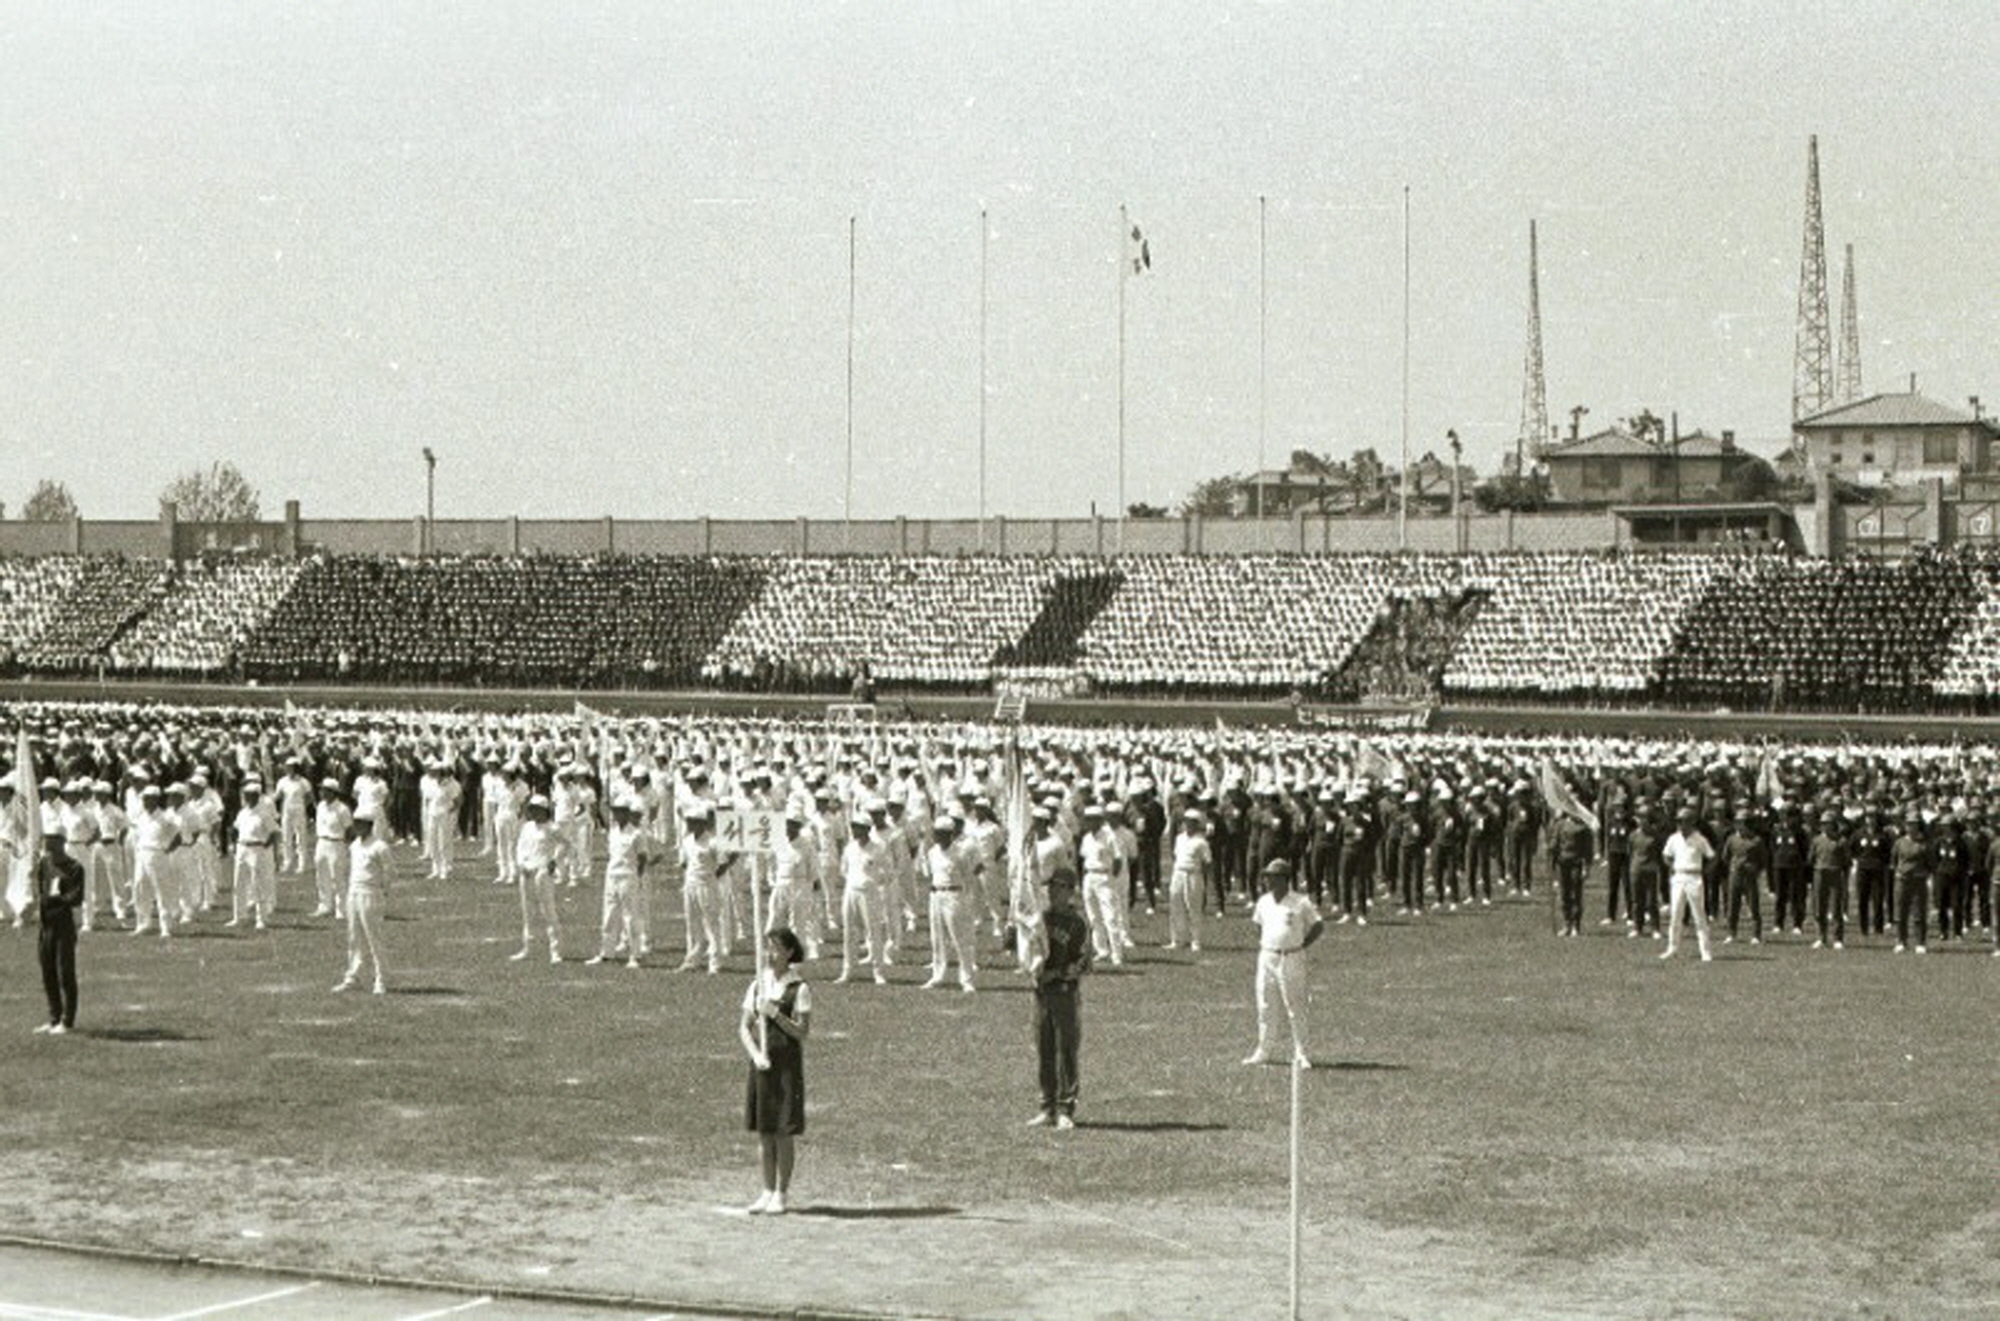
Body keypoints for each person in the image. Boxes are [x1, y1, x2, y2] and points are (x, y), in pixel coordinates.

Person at [740, 926, 810, 1215]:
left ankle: (782, 1193)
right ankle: (766, 1191)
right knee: (765, 1133)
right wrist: (755, 1054)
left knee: (783, 1132)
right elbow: (744, 1027)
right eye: (767, 949)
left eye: (776, 949)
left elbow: (802, 1032)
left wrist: (776, 1014)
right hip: (763, 1064)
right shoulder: (758, 984)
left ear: (789, 953)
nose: (770, 955)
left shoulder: (799, 988)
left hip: (786, 1067)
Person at [1026, 867, 1092, 1129]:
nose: (1053, 891)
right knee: (1044, 1048)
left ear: (1070, 891)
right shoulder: (1041, 917)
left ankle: (1066, 1107)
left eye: (1060, 886)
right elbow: (1026, 948)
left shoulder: (1078, 923)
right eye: (1051, 886)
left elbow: (1084, 962)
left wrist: (1056, 974)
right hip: (1041, 994)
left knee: (1065, 1049)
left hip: (1064, 992)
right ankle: (1047, 1106)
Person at [1243, 859, 1324, 1068]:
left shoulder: (1300, 902)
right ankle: (1264, 1050)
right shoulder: (1263, 901)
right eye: (1266, 877)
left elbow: (1318, 925)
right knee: (1265, 1004)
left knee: (1295, 1005)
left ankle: (1301, 1052)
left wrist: (1301, 944)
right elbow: (1258, 926)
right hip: (1267, 957)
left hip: (1292, 957)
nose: (1267, 880)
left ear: (1284, 879)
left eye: (1271, 877)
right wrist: (1269, 945)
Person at [33, 822, 85, 1035]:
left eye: (52, 838)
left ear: (62, 842)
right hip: (45, 925)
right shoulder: (44, 864)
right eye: (46, 838)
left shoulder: (74, 867)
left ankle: (67, 1019)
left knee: (65, 973)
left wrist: (55, 900)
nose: (47, 842)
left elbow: (76, 897)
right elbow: (39, 887)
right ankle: (54, 1017)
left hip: (62, 925)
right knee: (48, 972)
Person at [334, 808, 390, 994]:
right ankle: (353, 976)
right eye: (355, 823)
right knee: (353, 937)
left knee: (374, 937)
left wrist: (382, 892)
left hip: (371, 893)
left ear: (369, 825)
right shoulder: (354, 845)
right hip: (354, 892)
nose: (356, 827)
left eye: (360, 823)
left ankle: (381, 978)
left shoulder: (379, 846)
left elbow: (389, 873)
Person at [1660, 807, 1715, 962]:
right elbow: (1666, 855)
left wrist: (1704, 871)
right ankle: (1672, 948)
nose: (1680, 824)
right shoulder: (1674, 838)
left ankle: (1705, 951)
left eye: (1683, 821)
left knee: (1699, 915)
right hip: (1679, 876)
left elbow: (1711, 856)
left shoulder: (1700, 839)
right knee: (1675, 914)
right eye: (1678, 821)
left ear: (1691, 822)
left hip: (1694, 877)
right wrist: (1673, 868)